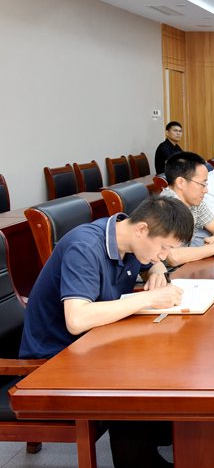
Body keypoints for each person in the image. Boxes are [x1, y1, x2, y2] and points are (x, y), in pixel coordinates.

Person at [19, 196, 194, 467]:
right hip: (55, 357)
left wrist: (157, 269)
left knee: (168, 354)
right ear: (142, 229)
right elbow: (77, 319)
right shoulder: (85, 247)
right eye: (163, 248)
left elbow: (152, 263)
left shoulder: (128, 238)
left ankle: (163, 433)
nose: (164, 255)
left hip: (93, 342)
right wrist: (148, 298)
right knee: (135, 379)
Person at [161, 151, 214, 262]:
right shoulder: (166, 207)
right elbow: (173, 257)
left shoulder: (194, 200)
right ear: (180, 182)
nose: (206, 190)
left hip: (187, 265)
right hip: (166, 271)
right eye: (202, 184)